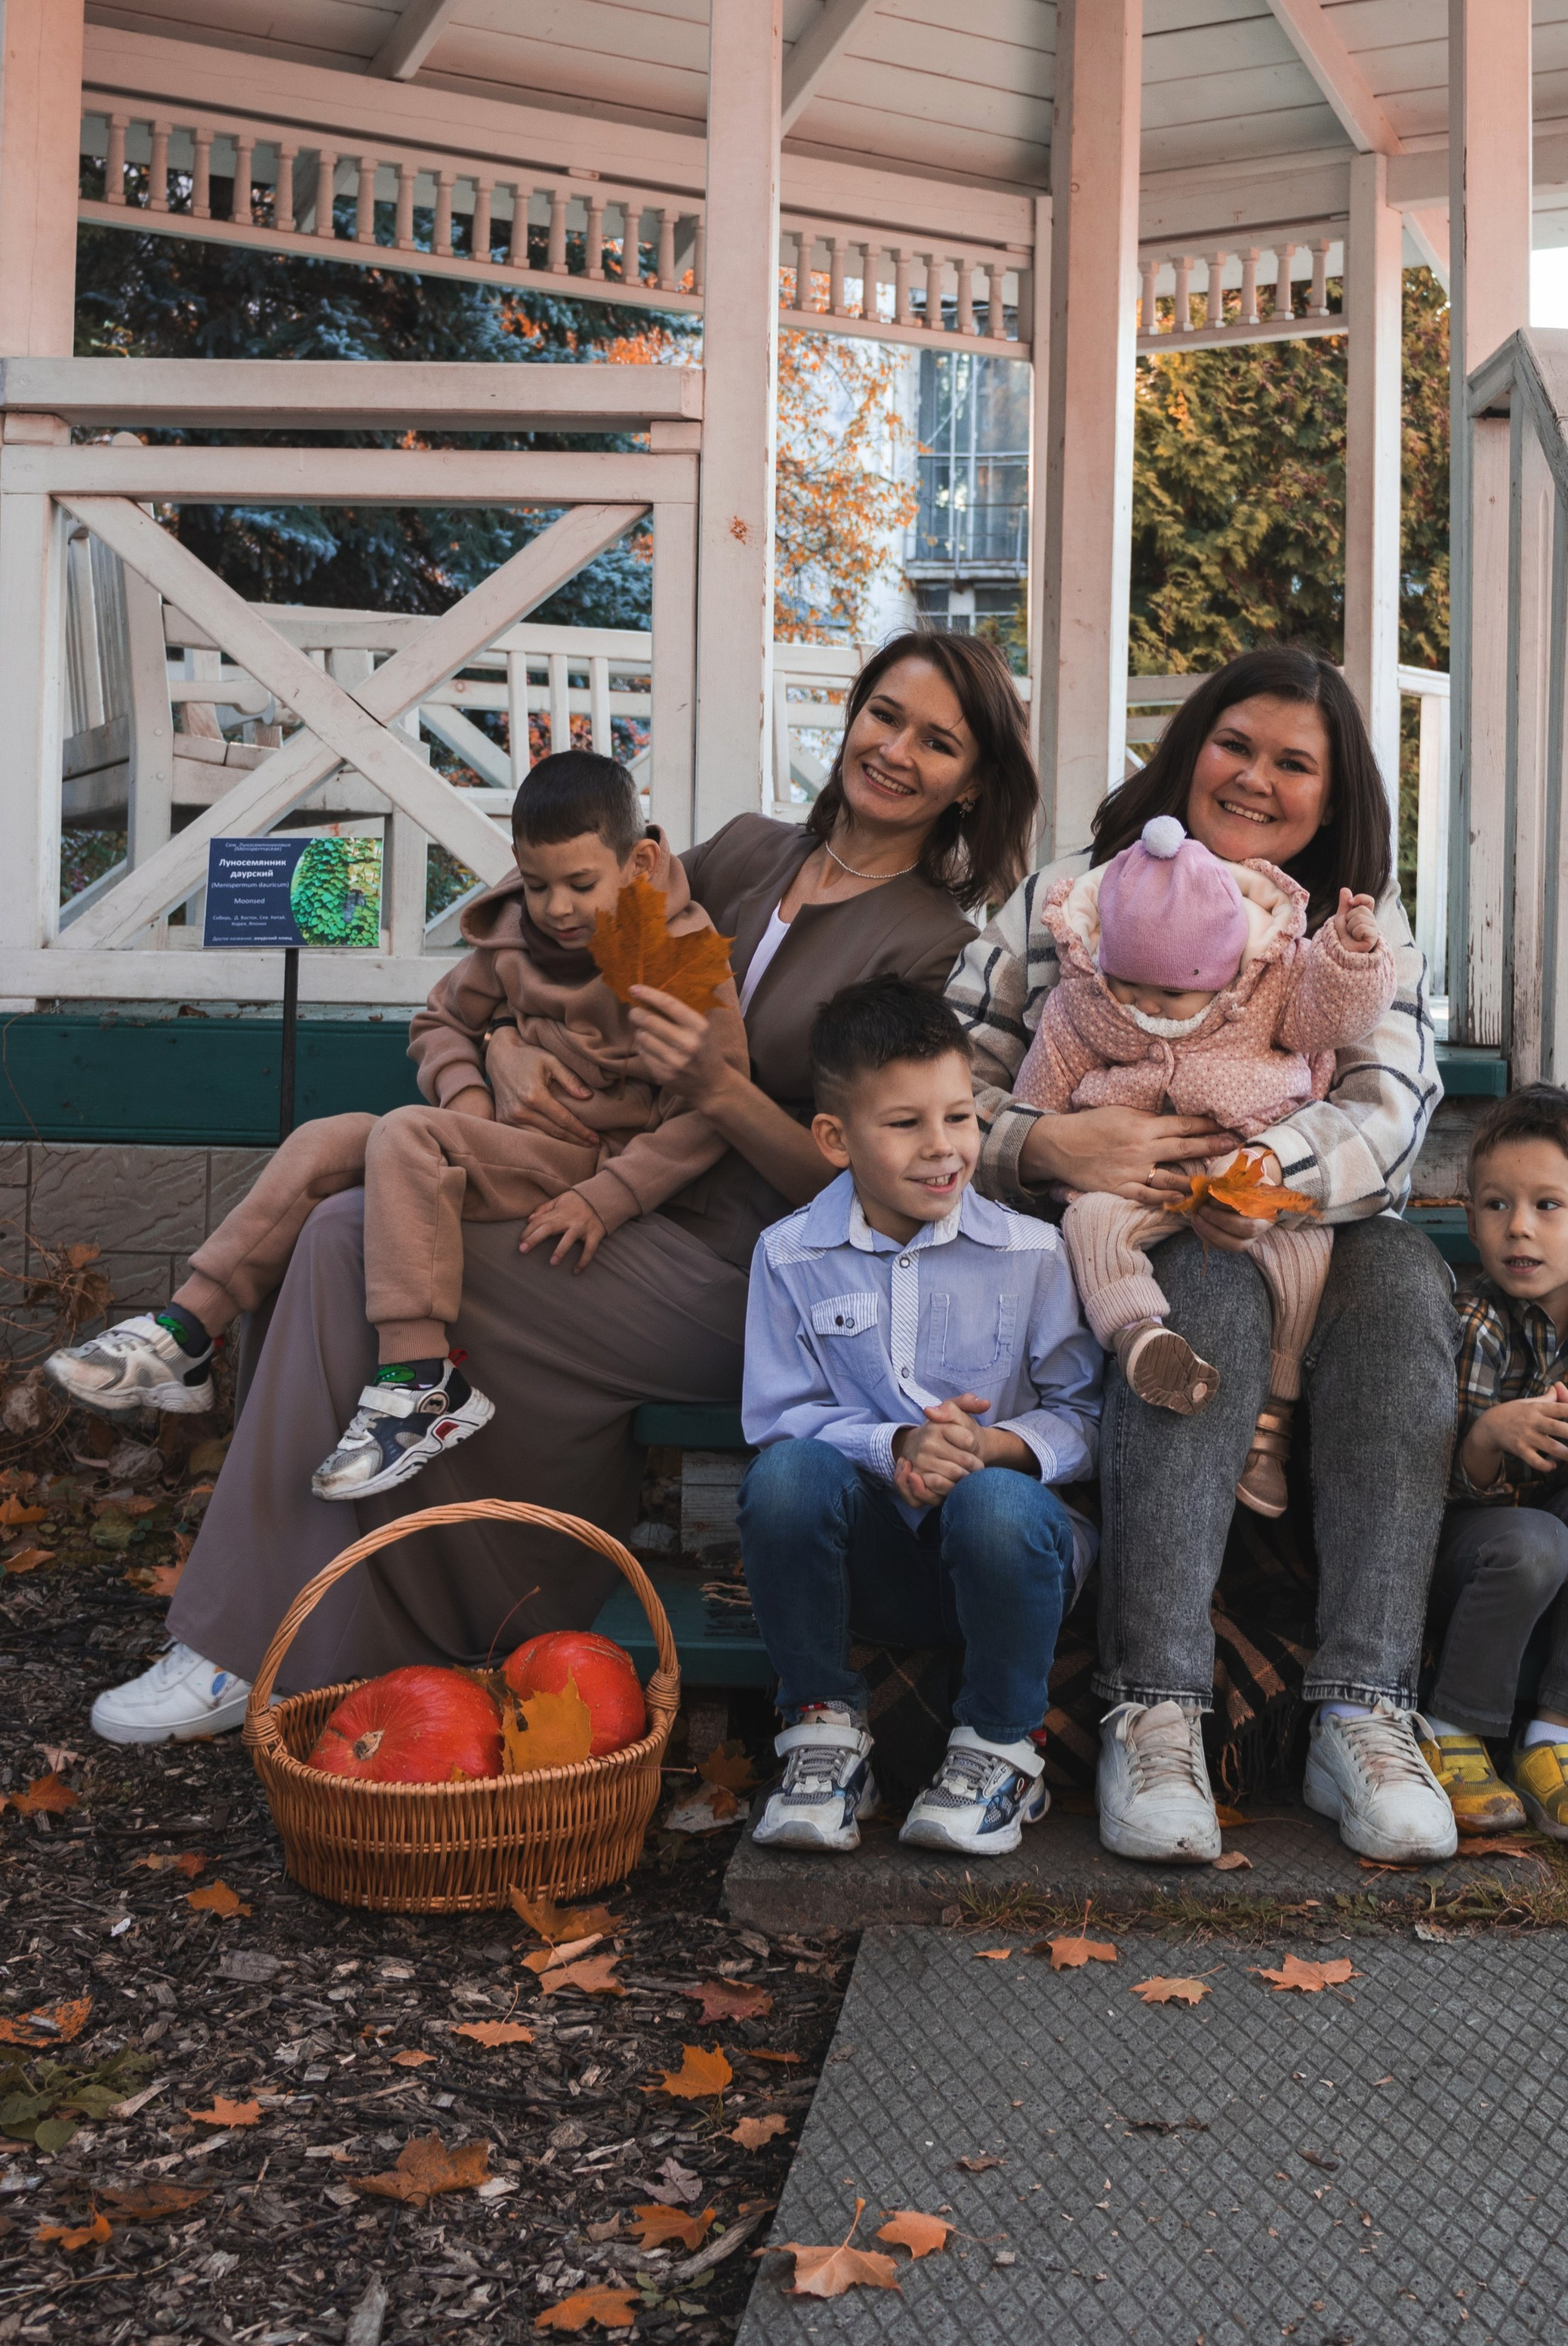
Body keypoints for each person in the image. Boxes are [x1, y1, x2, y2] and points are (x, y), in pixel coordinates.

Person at [88, 631, 1037, 1749]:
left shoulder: (932, 945)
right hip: (591, 1187)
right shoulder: (741, 851)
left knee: (349, 1240)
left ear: (971, 782)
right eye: (884, 714)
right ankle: (274, 1621)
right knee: (344, 1219)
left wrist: (721, 1092)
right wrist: (500, 1053)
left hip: (755, 1272)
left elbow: (882, 1182)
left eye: (938, 742)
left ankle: (261, 1639)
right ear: (852, 713)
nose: (896, 751)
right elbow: (547, 923)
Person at [951, 646, 1459, 1868]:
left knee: (1404, 1278)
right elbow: (949, 1081)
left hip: (1290, 1226)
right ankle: (1155, 1705)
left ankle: (1364, 1708)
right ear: (1190, 750)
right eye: (1236, 744)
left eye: (1295, 763)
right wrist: (1047, 1141)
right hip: (1114, 1237)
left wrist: (1261, 1171)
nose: (1256, 777)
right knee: (1203, 1290)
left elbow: (1390, 1114)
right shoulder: (1071, 898)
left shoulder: (1350, 933)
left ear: (1334, 797)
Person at [49, 751, 732, 1502]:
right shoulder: (517, 933)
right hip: (498, 1137)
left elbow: (713, 1103)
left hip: (588, 1160)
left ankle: (421, 1382)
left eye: (580, 884)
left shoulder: (679, 954)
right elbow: (439, 1020)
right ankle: (186, 1334)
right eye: (537, 885)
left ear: (638, 863)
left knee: (407, 1134)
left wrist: (609, 1196)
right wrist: (467, 1094)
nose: (557, 907)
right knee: (322, 1141)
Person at [737, 978, 1102, 1859]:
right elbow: (779, 1417)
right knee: (784, 1476)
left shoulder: (1032, 1252)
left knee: (992, 1502)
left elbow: (1086, 1418)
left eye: (960, 1117)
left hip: (1013, 1554)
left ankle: (1000, 1748)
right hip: (877, 1563)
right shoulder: (790, 1256)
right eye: (905, 1123)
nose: (942, 1147)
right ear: (835, 1138)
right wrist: (895, 1443)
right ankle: (823, 1732)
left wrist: (988, 1447)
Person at [1009, 808, 1394, 1515]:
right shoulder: (1085, 1002)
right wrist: (1050, 1142)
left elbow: (1332, 1017)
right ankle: (1141, 1337)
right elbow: (1040, 1091)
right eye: (1130, 988)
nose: (1147, 1009)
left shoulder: (1267, 989)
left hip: (1244, 1170)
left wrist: (1349, 955)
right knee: (1090, 1225)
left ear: (1223, 970)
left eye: (1171, 995)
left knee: (1304, 1253)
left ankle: (1271, 1421)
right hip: (1136, 1182)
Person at [1420, 1084, 1568, 1847]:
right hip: (1469, 1554)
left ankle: (1557, 1737)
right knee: (1535, 1540)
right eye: (1496, 1204)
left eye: (1547, 1205)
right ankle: (1452, 1729)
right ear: (1470, 1219)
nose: (1517, 1226)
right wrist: (1490, 1432)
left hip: (1557, 1538)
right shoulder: (1474, 1321)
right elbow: (1434, 1485)